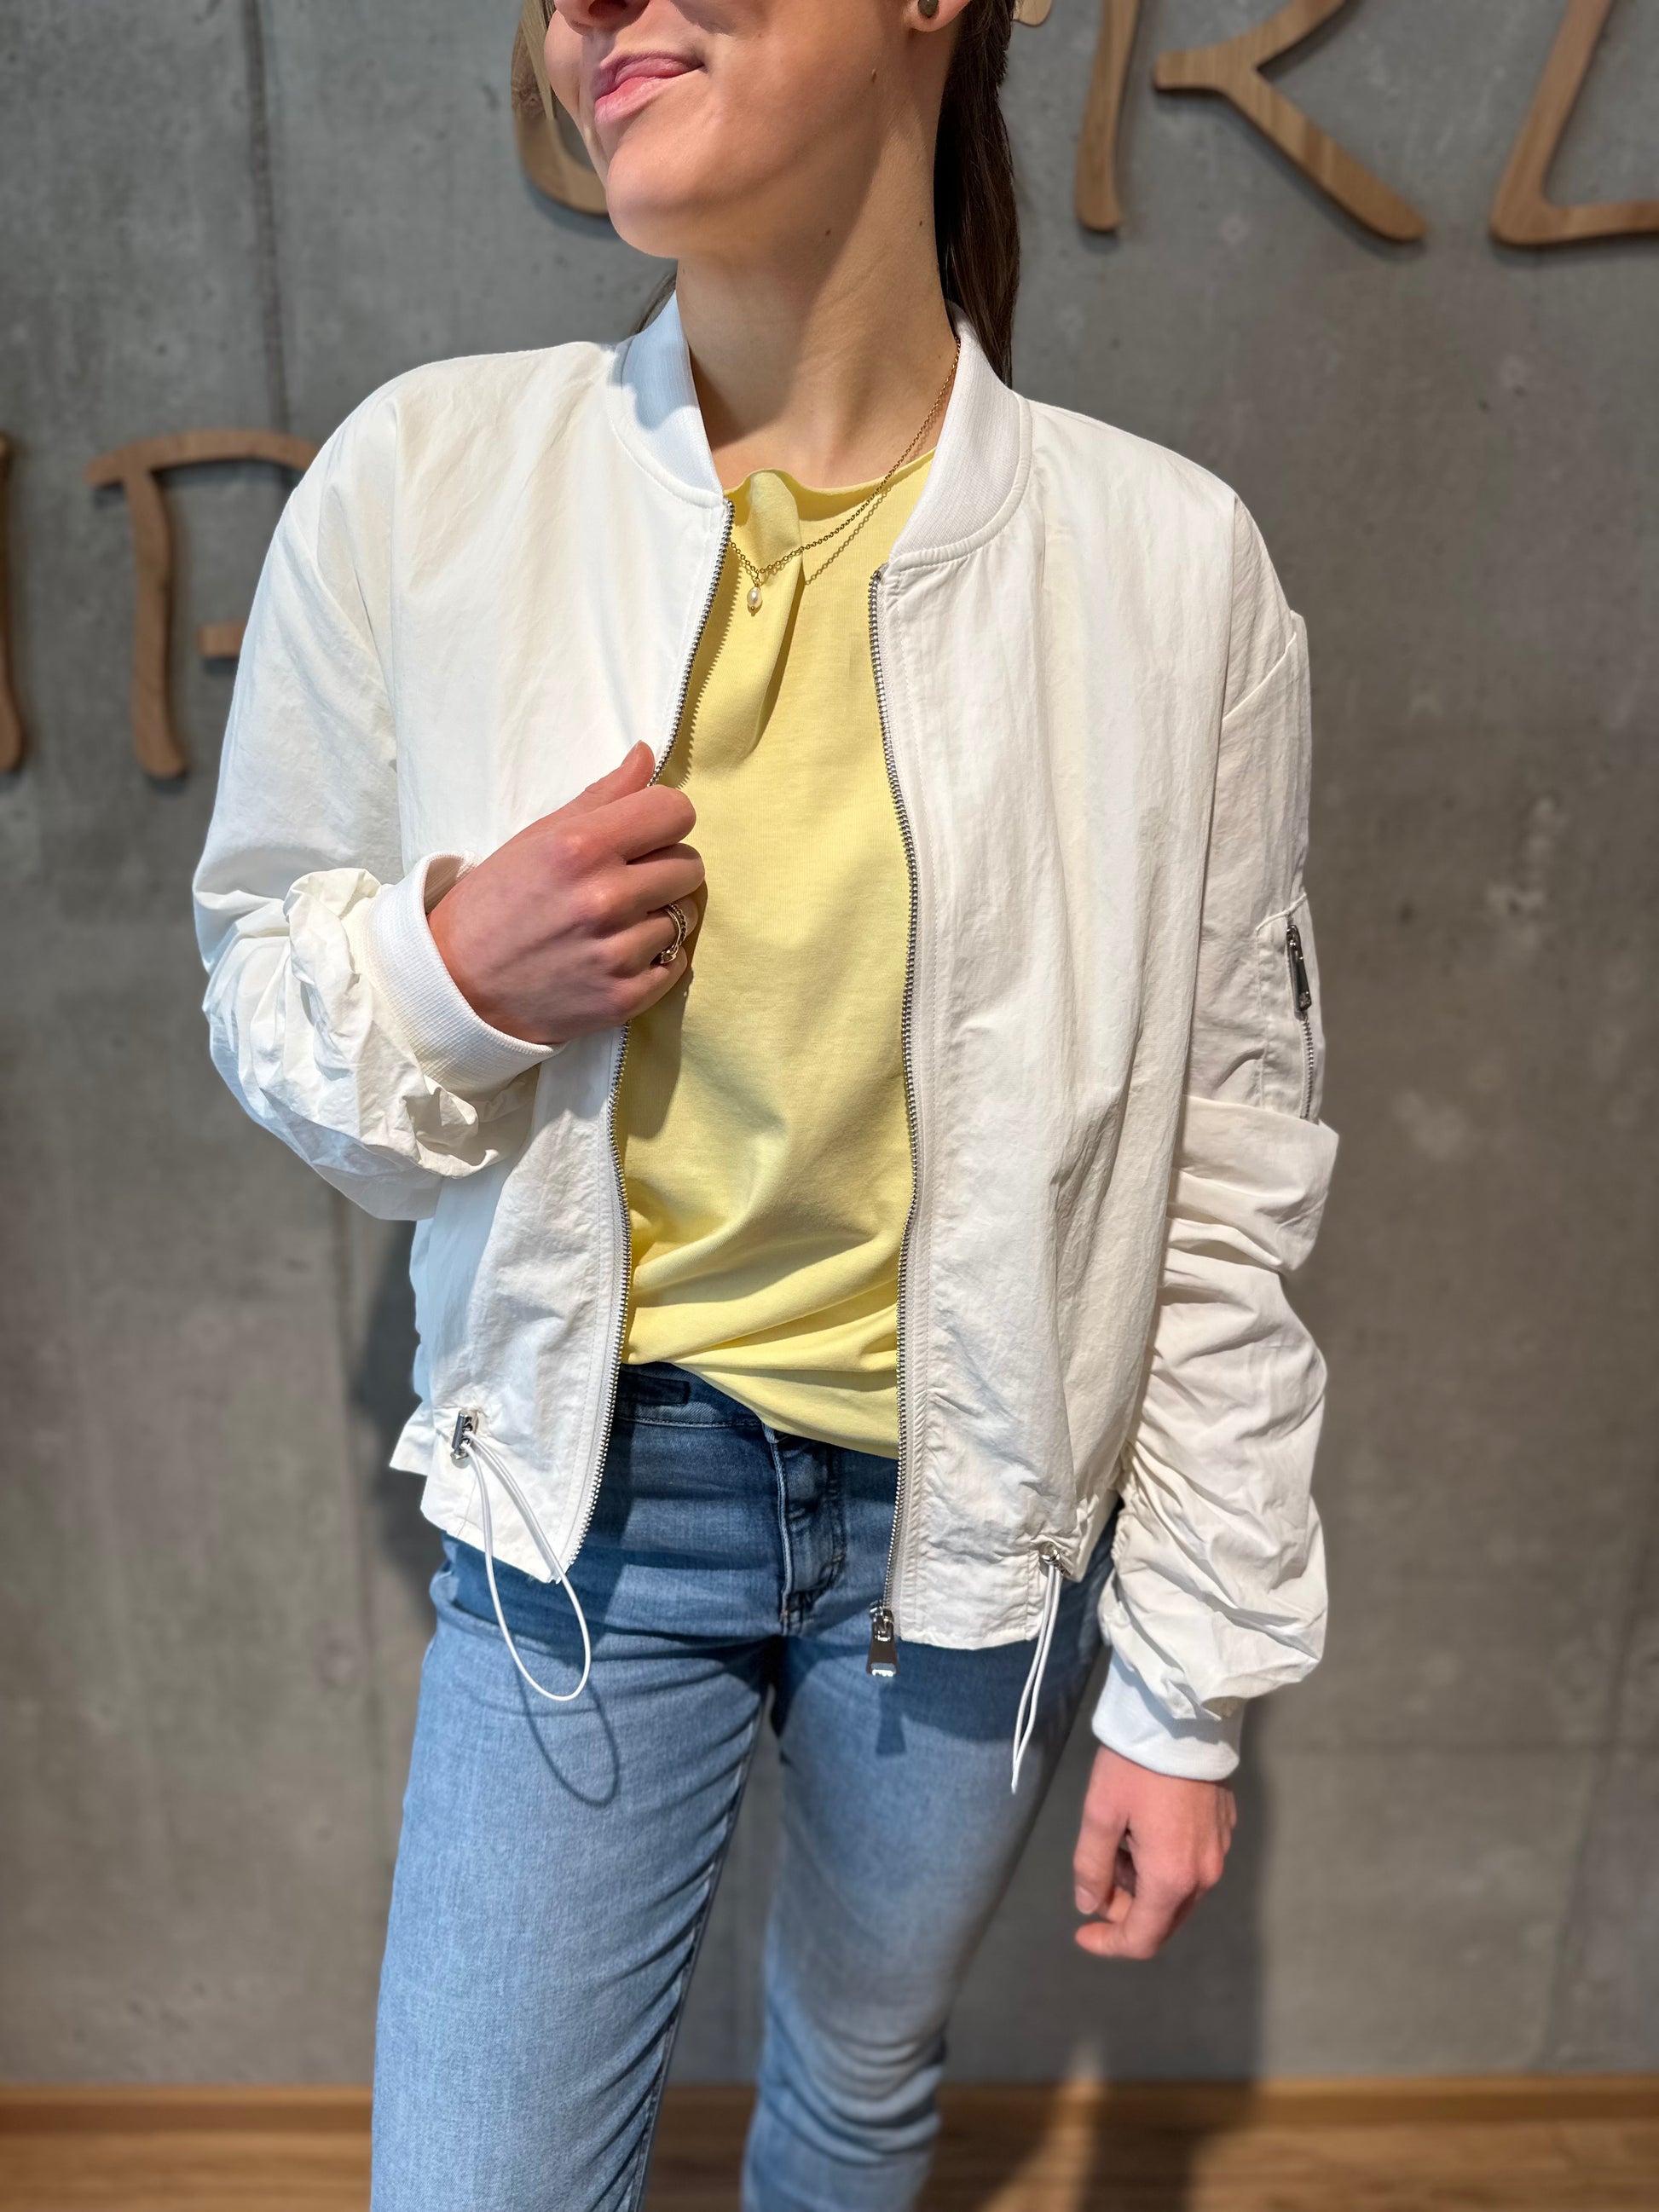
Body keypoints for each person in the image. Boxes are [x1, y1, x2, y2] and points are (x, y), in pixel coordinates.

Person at [193, 1, 1338, 2204]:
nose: (585, 10)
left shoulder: (1168, 572)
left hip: (973, 1539)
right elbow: (262, 992)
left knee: (858, 2071)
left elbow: (1219, 1176)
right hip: (593, 1513)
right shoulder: (433, 485)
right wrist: (451, 974)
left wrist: (1183, 1688)